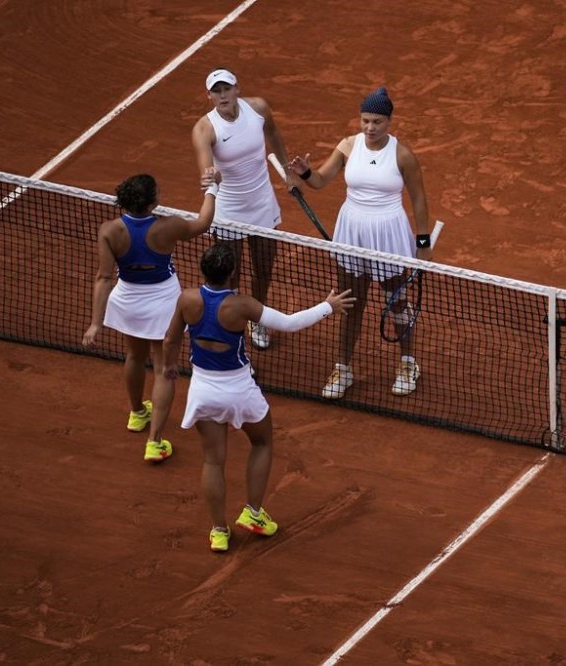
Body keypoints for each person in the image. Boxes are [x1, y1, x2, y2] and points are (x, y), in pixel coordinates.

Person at [162, 243, 354, 552]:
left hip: (203, 391)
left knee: (213, 460)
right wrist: (328, 306)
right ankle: (253, 513)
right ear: (233, 273)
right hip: (239, 390)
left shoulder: (187, 299)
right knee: (262, 441)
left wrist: (170, 366)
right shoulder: (242, 305)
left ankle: (219, 531)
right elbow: (289, 324)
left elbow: (171, 339)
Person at [287, 86, 433, 399]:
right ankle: (343, 367)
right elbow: (321, 179)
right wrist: (306, 172)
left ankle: (408, 362)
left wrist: (423, 242)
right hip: (351, 231)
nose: (369, 127)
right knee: (350, 302)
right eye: (365, 120)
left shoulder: (403, 154)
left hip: (389, 233)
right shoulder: (349, 145)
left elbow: (419, 199)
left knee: (397, 300)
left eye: (377, 122)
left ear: (389, 121)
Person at [82, 171, 220, 462]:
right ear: (152, 202)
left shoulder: (109, 231)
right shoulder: (168, 227)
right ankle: (154, 441)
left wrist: (96, 323)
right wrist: (212, 188)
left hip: (128, 300)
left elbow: (104, 278)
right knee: (163, 368)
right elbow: (204, 222)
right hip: (163, 303)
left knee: (133, 356)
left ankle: (136, 413)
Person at [192, 67, 297, 351]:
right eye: (216, 91)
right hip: (228, 212)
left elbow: (273, 134)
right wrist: (210, 175)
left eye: (227, 89)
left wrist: (287, 170)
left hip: (262, 205)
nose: (222, 95)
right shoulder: (205, 128)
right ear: (210, 96)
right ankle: (232, 321)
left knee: (264, 269)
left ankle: (257, 317)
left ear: (237, 89)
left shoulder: (258, 109)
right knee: (229, 274)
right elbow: (206, 165)